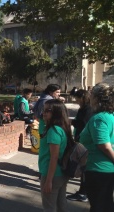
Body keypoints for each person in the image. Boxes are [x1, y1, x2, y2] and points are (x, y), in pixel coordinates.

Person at [79, 83, 114, 212]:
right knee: (106, 204)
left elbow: (104, 146)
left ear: (97, 98)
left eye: (92, 95)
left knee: (99, 206)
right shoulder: (110, 116)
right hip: (105, 170)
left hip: (98, 170)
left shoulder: (99, 119)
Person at [39, 99, 72, 212]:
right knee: (61, 204)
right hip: (61, 172)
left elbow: (54, 156)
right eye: (43, 110)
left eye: (48, 110)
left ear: (57, 113)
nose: (44, 113)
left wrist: (48, 180)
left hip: (52, 174)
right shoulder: (62, 127)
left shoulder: (53, 130)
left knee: (49, 207)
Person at [66, 89, 92, 202]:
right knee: (83, 167)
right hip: (80, 137)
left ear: (82, 97)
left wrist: (71, 122)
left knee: (83, 167)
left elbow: (83, 123)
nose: (75, 100)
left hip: (84, 141)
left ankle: (83, 193)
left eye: (77, 98)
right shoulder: (83, 108)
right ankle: (83, 191)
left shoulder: (88, 109)